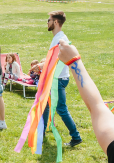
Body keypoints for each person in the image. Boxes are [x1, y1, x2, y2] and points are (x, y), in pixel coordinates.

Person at [38, 11, 82, 148]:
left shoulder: (60, 39)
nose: (47, 22)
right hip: (55, 77)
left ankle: (76, 137)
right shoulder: (57, 37)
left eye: (49, 20)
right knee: (45, 104)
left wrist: (41, 65)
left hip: (59, 79)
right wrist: (41, 64)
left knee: (61, 109)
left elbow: (56, 60)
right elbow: (52, 58)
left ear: (55, 22)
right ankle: (42, 132)